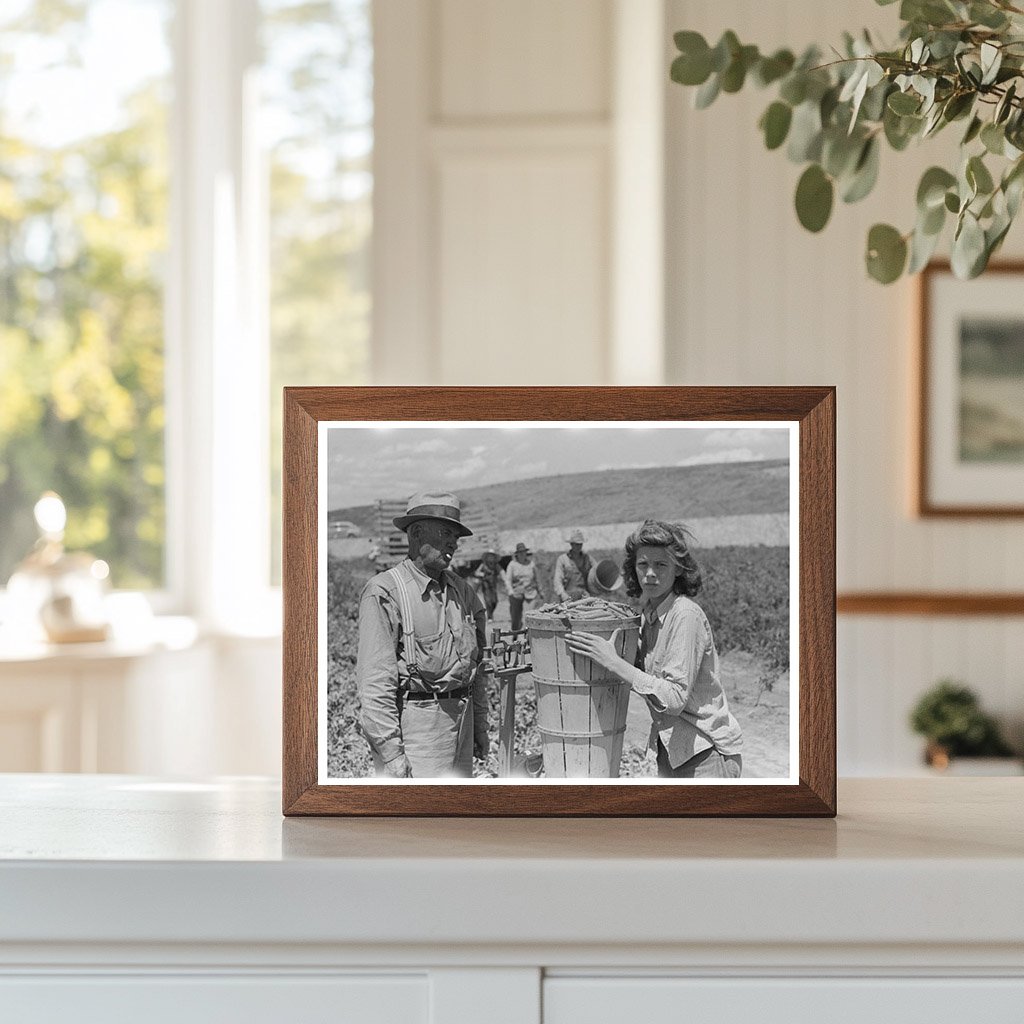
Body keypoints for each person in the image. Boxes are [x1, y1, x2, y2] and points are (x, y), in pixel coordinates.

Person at [563, 519, 743, 779]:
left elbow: (674, 698)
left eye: (661, 565)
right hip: (672, 751)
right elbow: (644, 672)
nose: (650, 573)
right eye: (643, 564)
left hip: (706, 754)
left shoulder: (685, 615)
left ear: (678, 568)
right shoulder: (650, 615)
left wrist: (613, 661)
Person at [355, 490, 490, 778]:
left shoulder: (462, 591)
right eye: (445, 533)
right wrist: (392, 754)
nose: (454, 542)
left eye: (456, 536)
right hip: (418, 733)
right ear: (416, 533)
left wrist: (479, 726)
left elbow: (477, 668)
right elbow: (375, 682)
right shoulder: (385, 592)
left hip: (462, 724)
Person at [504, 541, 541, 631]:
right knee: (516, 617)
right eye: (520, 552)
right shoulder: (512, 565)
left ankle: (528, 634)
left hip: (530, 592)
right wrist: (510, 591)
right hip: (516, 593)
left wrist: (540, 590)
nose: (522, 554)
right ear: (517, 554)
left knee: (529, 615)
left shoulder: (531, 564)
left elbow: (537, 578)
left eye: (523, 552)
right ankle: (515, 633)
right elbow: (508, 579)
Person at [552, 529, 594, 602]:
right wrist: (562, 594)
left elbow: (597, 571)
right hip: (568, 596)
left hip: (584, 596)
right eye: (577, 544)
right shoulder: (563, 559)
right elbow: (557, 579)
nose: (579, 547)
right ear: (571, 544)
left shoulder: (587, 558)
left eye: (580, 544)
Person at [471, 548, 503, 618]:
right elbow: (477, 572)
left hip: (493, 585)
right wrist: (482, 574)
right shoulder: (483, 565)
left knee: (495, 601)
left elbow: (501, 572)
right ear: (487, 557)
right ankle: (490, 617)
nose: (491, 557)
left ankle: (491, 613)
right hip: (486, 585)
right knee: (488, 601)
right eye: (489, 556)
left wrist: (504, 578)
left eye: (492, 556)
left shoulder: (496, 565)